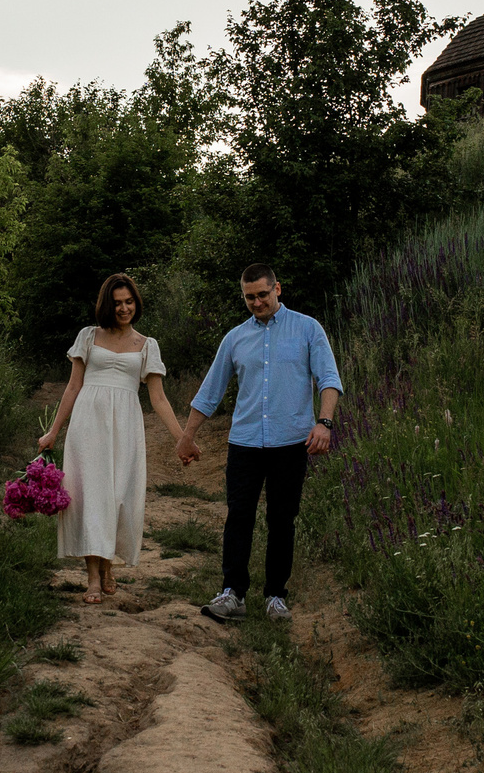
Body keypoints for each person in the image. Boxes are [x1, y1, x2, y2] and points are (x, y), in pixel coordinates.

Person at [177, 263, 340, 623]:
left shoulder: (307, 329)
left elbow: (328, 377)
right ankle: (232, 593)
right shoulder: (235, 338)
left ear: (277, 289)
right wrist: (188, 435)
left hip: (291, 442)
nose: (256, 302)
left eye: (262, 295)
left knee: (282, 519)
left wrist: (324, 423)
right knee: (239, 517)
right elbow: (211, 390)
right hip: (245, 442)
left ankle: (275, 596)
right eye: (249, 297)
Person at [39, 273, 190, 605]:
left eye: (129, 302)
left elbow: (159, 399)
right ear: (107, 305)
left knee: (117, 495)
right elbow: (73, 386)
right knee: (91, 495)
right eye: (117, 303)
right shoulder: (88, 337)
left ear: (136, 302)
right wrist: (53, 431)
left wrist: (183, 438)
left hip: (125, 424)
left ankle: (108, 563)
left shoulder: (147, 345)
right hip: (88, 422)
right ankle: (93, 577)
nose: (124, 308)